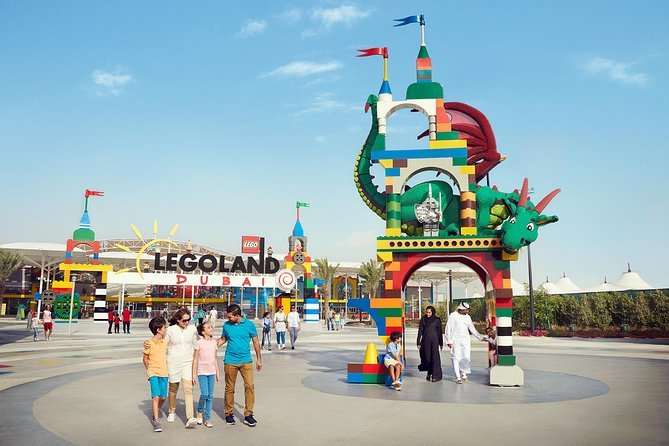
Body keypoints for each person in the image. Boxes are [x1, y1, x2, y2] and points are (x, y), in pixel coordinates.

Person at [145, 309, 199, 428]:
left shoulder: (192, 329)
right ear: (178, 320)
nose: (187, 322)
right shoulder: (171, 330)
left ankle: (190, 417)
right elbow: (161, 342)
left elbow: (197, 345)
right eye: (184, 320)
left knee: (188, 389)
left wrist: (196, 365)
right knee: (173, 388)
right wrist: (148, 343)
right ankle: (171, 411)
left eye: (189, 319)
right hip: (173, 362)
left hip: (187, 362)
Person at [216, 304, 262, 427]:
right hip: (230, 361)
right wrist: (210, 346)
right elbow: (223, 339)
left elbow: (256, 342)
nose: (228, 319)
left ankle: (248, 414)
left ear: (237, 315)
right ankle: (229, 413)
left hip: (246, 360)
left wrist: (259, 359)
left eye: (230, 317)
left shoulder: (249, 325)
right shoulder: (226, 325)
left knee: (250, 386)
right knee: (229, 388)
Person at [444, 302, 487, 384]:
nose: (467, 311)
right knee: (456, 357)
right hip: (455, 340)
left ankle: (464, 374)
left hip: (465, 340)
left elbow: (472, 328)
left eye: (467, 310)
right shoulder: (453, 315)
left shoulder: (468, 317)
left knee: (466, 357)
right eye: (466, 310)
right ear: (461, 309)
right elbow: (448, 328)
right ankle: (458, 377)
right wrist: (448, 340)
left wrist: (480, 337)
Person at [143, 316, 168, 433]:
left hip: (164, 372)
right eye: (164, 327)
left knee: (163, 397)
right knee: (156, 396)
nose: (166, 329)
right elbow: (145, 358)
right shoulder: (149, 343)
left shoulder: (164, 342)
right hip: (153, 372)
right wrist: (149, 370)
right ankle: (156, 421)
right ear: (158, 329)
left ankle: (155, 411)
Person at [192, 322, 219, 428]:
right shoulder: (199, 343)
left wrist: (217, 371)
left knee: (210, 396)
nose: (211, 328)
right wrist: (193, 374)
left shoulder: (214, 343)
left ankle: (207, 419)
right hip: (202, 372)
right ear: (203, 332)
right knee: (205, 394)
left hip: (211, 372)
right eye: (208, 327)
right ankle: (199, 410)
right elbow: (195, 359)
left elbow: (215, 358)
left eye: (211, 327)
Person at [417, 305, 443, 382]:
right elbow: (420, 331)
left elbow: (439, 332)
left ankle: (436, 376)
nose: (428, 314)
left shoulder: (437, 320)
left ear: (432, 312)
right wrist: (418, 342)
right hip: (425, 342)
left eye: (429, 312)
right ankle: (429, 372)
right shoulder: (423, 319)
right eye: (427, 312)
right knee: (427, 358)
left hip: (435, 342)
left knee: (435, 358)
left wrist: (441, 343)